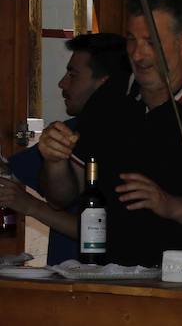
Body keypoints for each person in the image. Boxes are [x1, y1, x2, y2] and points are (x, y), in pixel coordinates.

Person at [37, 0, 182, 267]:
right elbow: (62, 196)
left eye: (151, 42)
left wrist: (170, 205)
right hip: (107, 283)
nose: (138, 55)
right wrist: (54, 161)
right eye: (131, 40)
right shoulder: (111, 97)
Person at [3, 33, 129, 263]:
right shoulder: (67, 131)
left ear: (104, 82)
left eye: (73, 75)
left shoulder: (127, 136)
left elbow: (112, 233)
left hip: (103, 280)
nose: (62, 83)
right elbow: (10, 169)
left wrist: (30, 205)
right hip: (66, 276)